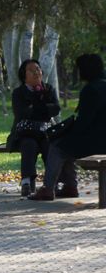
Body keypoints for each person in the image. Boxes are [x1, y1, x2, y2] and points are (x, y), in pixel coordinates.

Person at [30, 53, 106, 200]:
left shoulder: (91, 90)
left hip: (98, 142)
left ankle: (48, 188)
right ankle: (70, 186)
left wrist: (66, 133)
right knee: (67, 144)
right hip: (100, 138)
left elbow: (84, 122)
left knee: (58, 146)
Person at [6, 59, 60, 196]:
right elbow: (22, 112)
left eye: (38, 69)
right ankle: (26, 183)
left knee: (50, 147)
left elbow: (56, 109)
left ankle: (51, 184)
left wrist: (35, 108)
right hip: (26, 133)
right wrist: (43, 109)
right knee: (29, 145)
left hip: (45, 132)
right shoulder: (18, 93)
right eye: (31, 70)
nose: (36, 72)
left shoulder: (49, 89)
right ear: (24, 75)